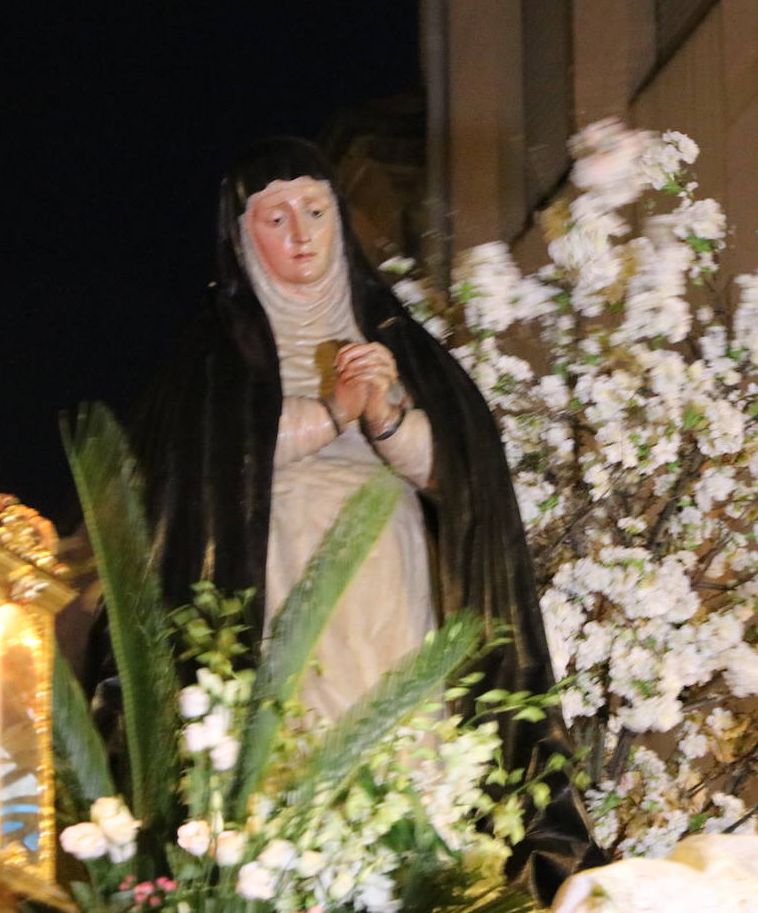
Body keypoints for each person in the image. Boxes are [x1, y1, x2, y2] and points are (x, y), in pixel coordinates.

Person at [129, 137, 601, 900]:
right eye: (275, 218)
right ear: (241, 233)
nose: (301, 235)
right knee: (301, 735)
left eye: (315, 211)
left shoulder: (397, 340)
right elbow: (216, 457)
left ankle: (407, 874)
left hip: (390, 566)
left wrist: (384, 416)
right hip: (276, 568)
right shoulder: (215, 356)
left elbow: (460, 475)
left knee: (401, 739)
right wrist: (329, 412)